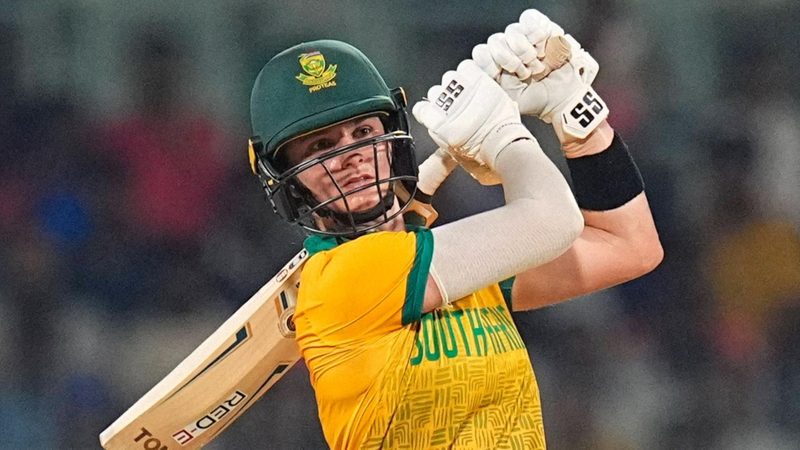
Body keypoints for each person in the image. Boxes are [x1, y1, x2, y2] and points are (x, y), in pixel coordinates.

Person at [247, 9, 662, 449]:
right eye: (321, 146)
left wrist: (573, 112)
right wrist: (501, 133)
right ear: (287, 179)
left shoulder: (455, 267)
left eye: (364, 131)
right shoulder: (340, 281)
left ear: (392, 139)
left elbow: (631, 246)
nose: (352, 154)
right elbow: (552, 219)